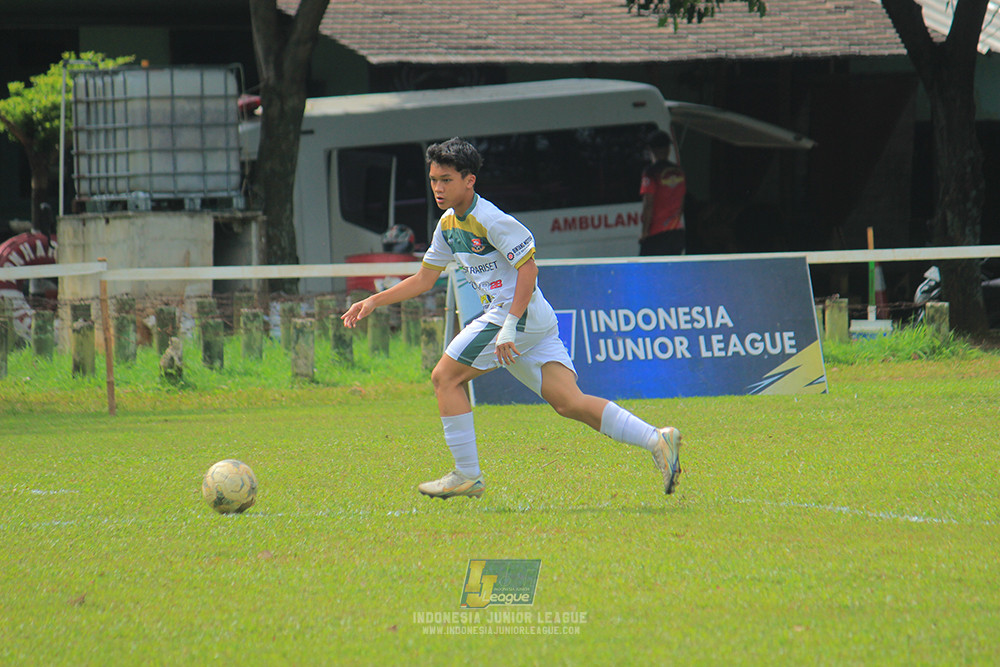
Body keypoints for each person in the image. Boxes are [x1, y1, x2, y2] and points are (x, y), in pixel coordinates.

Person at [341, 138, 682, 500]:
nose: (438, 188)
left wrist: (508, 325)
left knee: (444, 377)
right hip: (527, 321)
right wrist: (374, 301)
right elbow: (425, 279)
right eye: (433, 180)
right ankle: (656, 439)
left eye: (446, 180)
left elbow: (528, 270)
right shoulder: (447, 225)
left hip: (515, 317)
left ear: (469, 180)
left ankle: (467, 475)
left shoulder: (490, 219)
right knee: (569, 402)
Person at [639, 131, 687, 256]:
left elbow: (649, 204)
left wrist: (644, 233)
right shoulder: (679, 171)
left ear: (651, 149)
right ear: (668, 149)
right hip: (677, 231)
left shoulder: (651, 172)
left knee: (647, 271)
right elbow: (682, 202)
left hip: (657, 233)